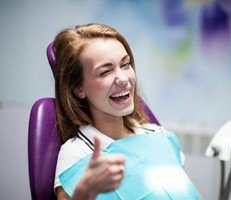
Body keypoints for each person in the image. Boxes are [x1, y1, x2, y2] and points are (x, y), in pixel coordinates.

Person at [53, 23, 201, 200]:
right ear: (78, 89)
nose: (123, 78)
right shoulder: (78, 155)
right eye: (105, 72)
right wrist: (84, 193)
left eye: (126, 64)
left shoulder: (158, 135)